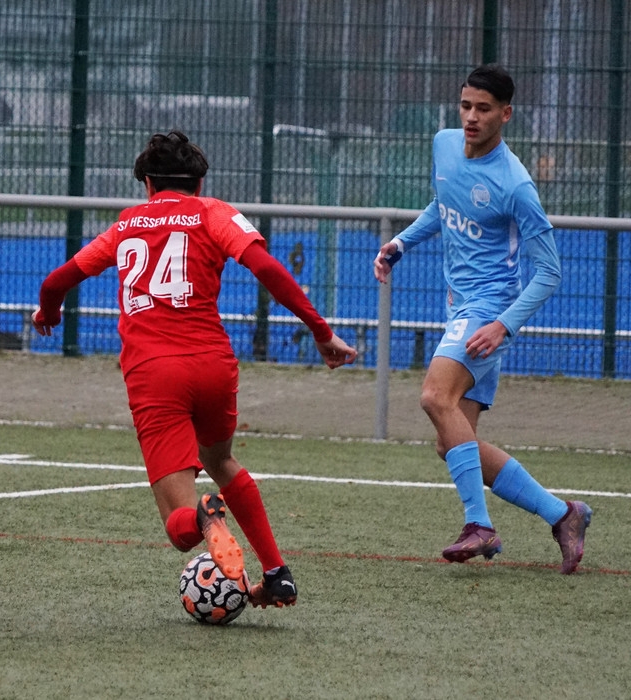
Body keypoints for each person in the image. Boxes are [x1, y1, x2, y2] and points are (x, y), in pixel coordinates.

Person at [32, 131, 358, 608]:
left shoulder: (126, 225)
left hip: (155, 374)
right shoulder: (214, 212)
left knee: (180, 527)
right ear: (200, 183)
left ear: (147, 184)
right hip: (213, 365)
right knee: (220, 460)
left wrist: (48, 312)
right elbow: (267, 269)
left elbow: (55, 282)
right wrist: (321, 331)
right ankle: (276, 572)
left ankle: (207, 516)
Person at [373, 64, 591, 574]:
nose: (471, 117)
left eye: (484, 109)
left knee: (434, 397)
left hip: (489, 310)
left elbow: (549, 272)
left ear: (506, 114)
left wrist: (502, 325)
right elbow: (441, 205)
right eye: (466, 105)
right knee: (450, 440)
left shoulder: (516, 184)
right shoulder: (444, 144)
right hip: (461, 307)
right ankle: (563, 514)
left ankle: (479, 524)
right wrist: (401, 243)